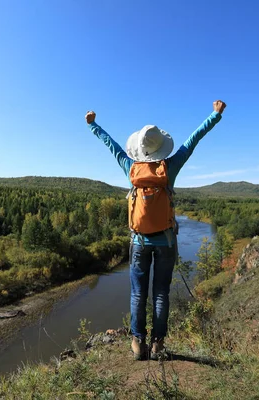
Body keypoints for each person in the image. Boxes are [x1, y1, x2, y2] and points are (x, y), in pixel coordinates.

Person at [86, 100, 226, 360]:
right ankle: (158, 344)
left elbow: (112, 146)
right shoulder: (169, 168)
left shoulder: (131, 169)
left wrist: (94, 125)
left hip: (139, 241)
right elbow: (193, 140)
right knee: (161, 292)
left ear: (139, 148)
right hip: (166, 241)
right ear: (161, 147)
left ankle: (137, 342)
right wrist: (214, 116)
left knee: (138, 293)